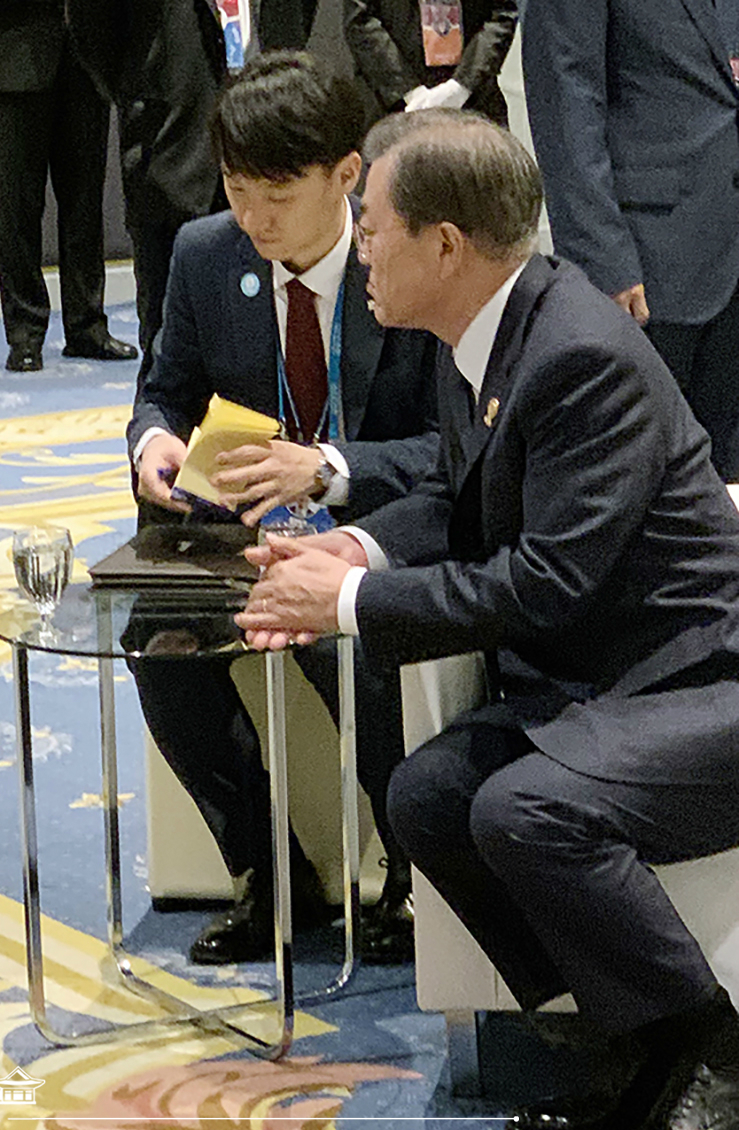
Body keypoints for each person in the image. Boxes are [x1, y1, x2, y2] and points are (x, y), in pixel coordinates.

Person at [237, 111, 739, 1130]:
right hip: (603, 682)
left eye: (371, 226)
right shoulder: (480, 337)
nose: (356, 246)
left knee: (521, 809)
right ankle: (624, 1040)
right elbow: (453, 506)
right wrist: (343, 555)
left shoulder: (574, 355)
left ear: (445, 245)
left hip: (700, 685)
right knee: (424, 798)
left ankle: (706, 1048)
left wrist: (355, 602)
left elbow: (547, 580)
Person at [128, 52, 440, 966]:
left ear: (346, 175)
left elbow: (451, 451)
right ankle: (268, 872)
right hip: (238, 535)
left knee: (360, 655)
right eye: (234, 187)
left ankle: (411, 883)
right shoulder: (204, 253)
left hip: (365, 531)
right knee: (158, 641)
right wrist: (154, 444)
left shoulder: (406, 256)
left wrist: (330, 470)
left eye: (277, 192)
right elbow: (163, 392)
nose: (253, 217)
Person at [524, 1, 739, 480]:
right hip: (647, 256)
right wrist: (599, 257)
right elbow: (565, 97)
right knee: (638, 470)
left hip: (728, 239)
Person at [0, 0, 136, 374]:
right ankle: (25, 335)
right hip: (15, 55)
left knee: (85, 202)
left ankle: (87, 326)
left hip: (87, 57)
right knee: (18, 207)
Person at [64, 0, 226, 380]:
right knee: (168, 340)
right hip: (169, 141)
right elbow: (92, 26)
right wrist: (135, 91)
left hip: (256, 131)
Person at [343, 0, 516, 124]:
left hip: (476, 101)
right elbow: (359, 19)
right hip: (390, 102)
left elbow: (502, 13)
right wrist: (411, 94)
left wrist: (461, 87)